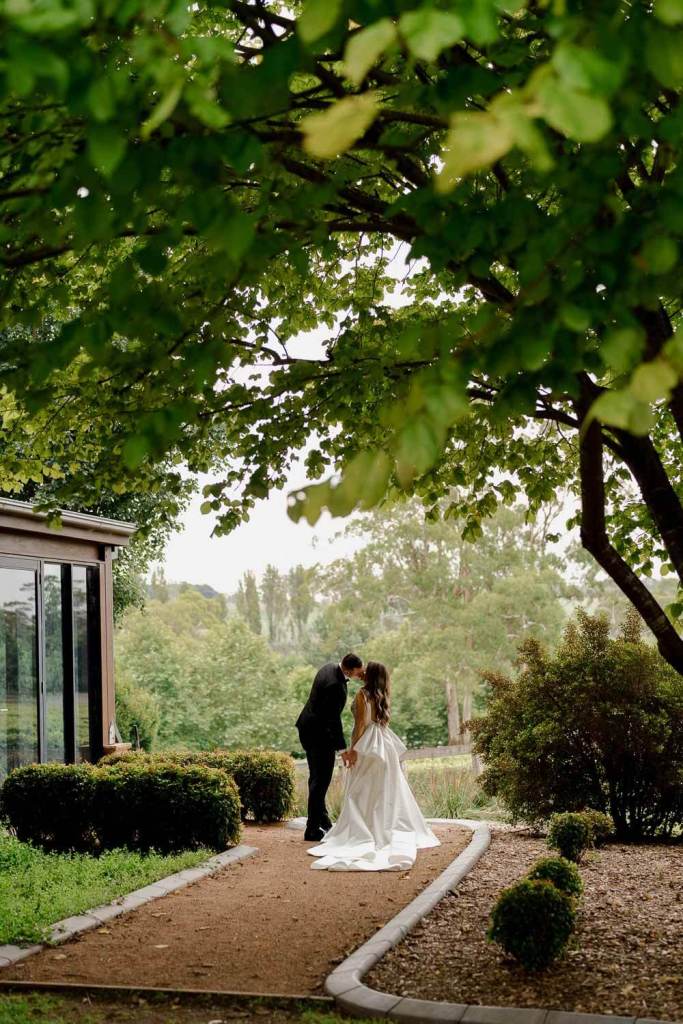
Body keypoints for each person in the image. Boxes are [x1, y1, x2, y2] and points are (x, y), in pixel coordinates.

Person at [307, 660, 440, 871]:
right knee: (384, 789)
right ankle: (382, 825)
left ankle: (361, 829)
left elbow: (360, 725)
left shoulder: (362, 694)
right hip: (384, 744)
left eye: (367, 670)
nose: (363, 672)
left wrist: (352, 750)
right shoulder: (382, 695)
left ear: (370, 675)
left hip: (368, 744)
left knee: (360, 790)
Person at [295, 653, 365, 842]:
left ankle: (323, 820)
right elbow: (333, 720)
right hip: (319, 735)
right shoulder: (335, 686)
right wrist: (342, 750)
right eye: (358, 673)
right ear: (349, 670)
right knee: (321, 781)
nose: (360, 676)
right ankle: (311, 829)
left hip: (307, 727)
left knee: (315, 778)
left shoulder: (328, 667)